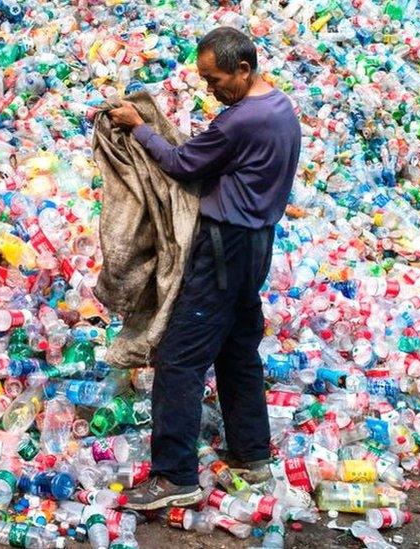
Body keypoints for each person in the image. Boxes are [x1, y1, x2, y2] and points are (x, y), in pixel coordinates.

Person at [107, 26, 301, 510]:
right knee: (238, 350)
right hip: (257, 244)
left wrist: (139, 126)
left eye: (216, 80)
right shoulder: (280, 107)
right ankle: (252, 455)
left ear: (243, 69)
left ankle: (174, 476)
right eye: (204, 80)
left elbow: (179, 162)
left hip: (223, 248)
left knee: (179, 358)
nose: (210, 89)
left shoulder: (241, 121)